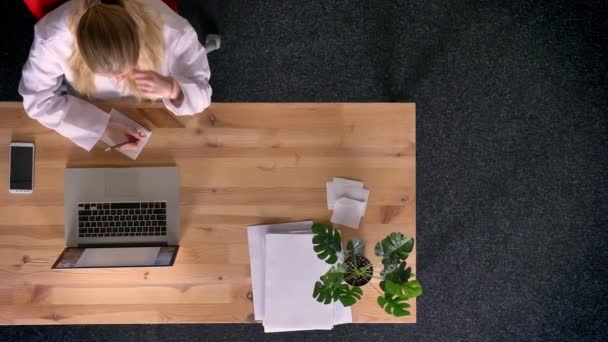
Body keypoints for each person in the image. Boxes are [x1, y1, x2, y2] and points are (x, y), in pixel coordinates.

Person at [19, 0, 215, 151]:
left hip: (153, 112)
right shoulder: (54, 38)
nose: (117, 80)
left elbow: (202, 90)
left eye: (125, 70)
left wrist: (173, 89)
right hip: (89, 105)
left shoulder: (173, 32)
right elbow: (37, 99)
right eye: (107, 74)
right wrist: (101, 127)